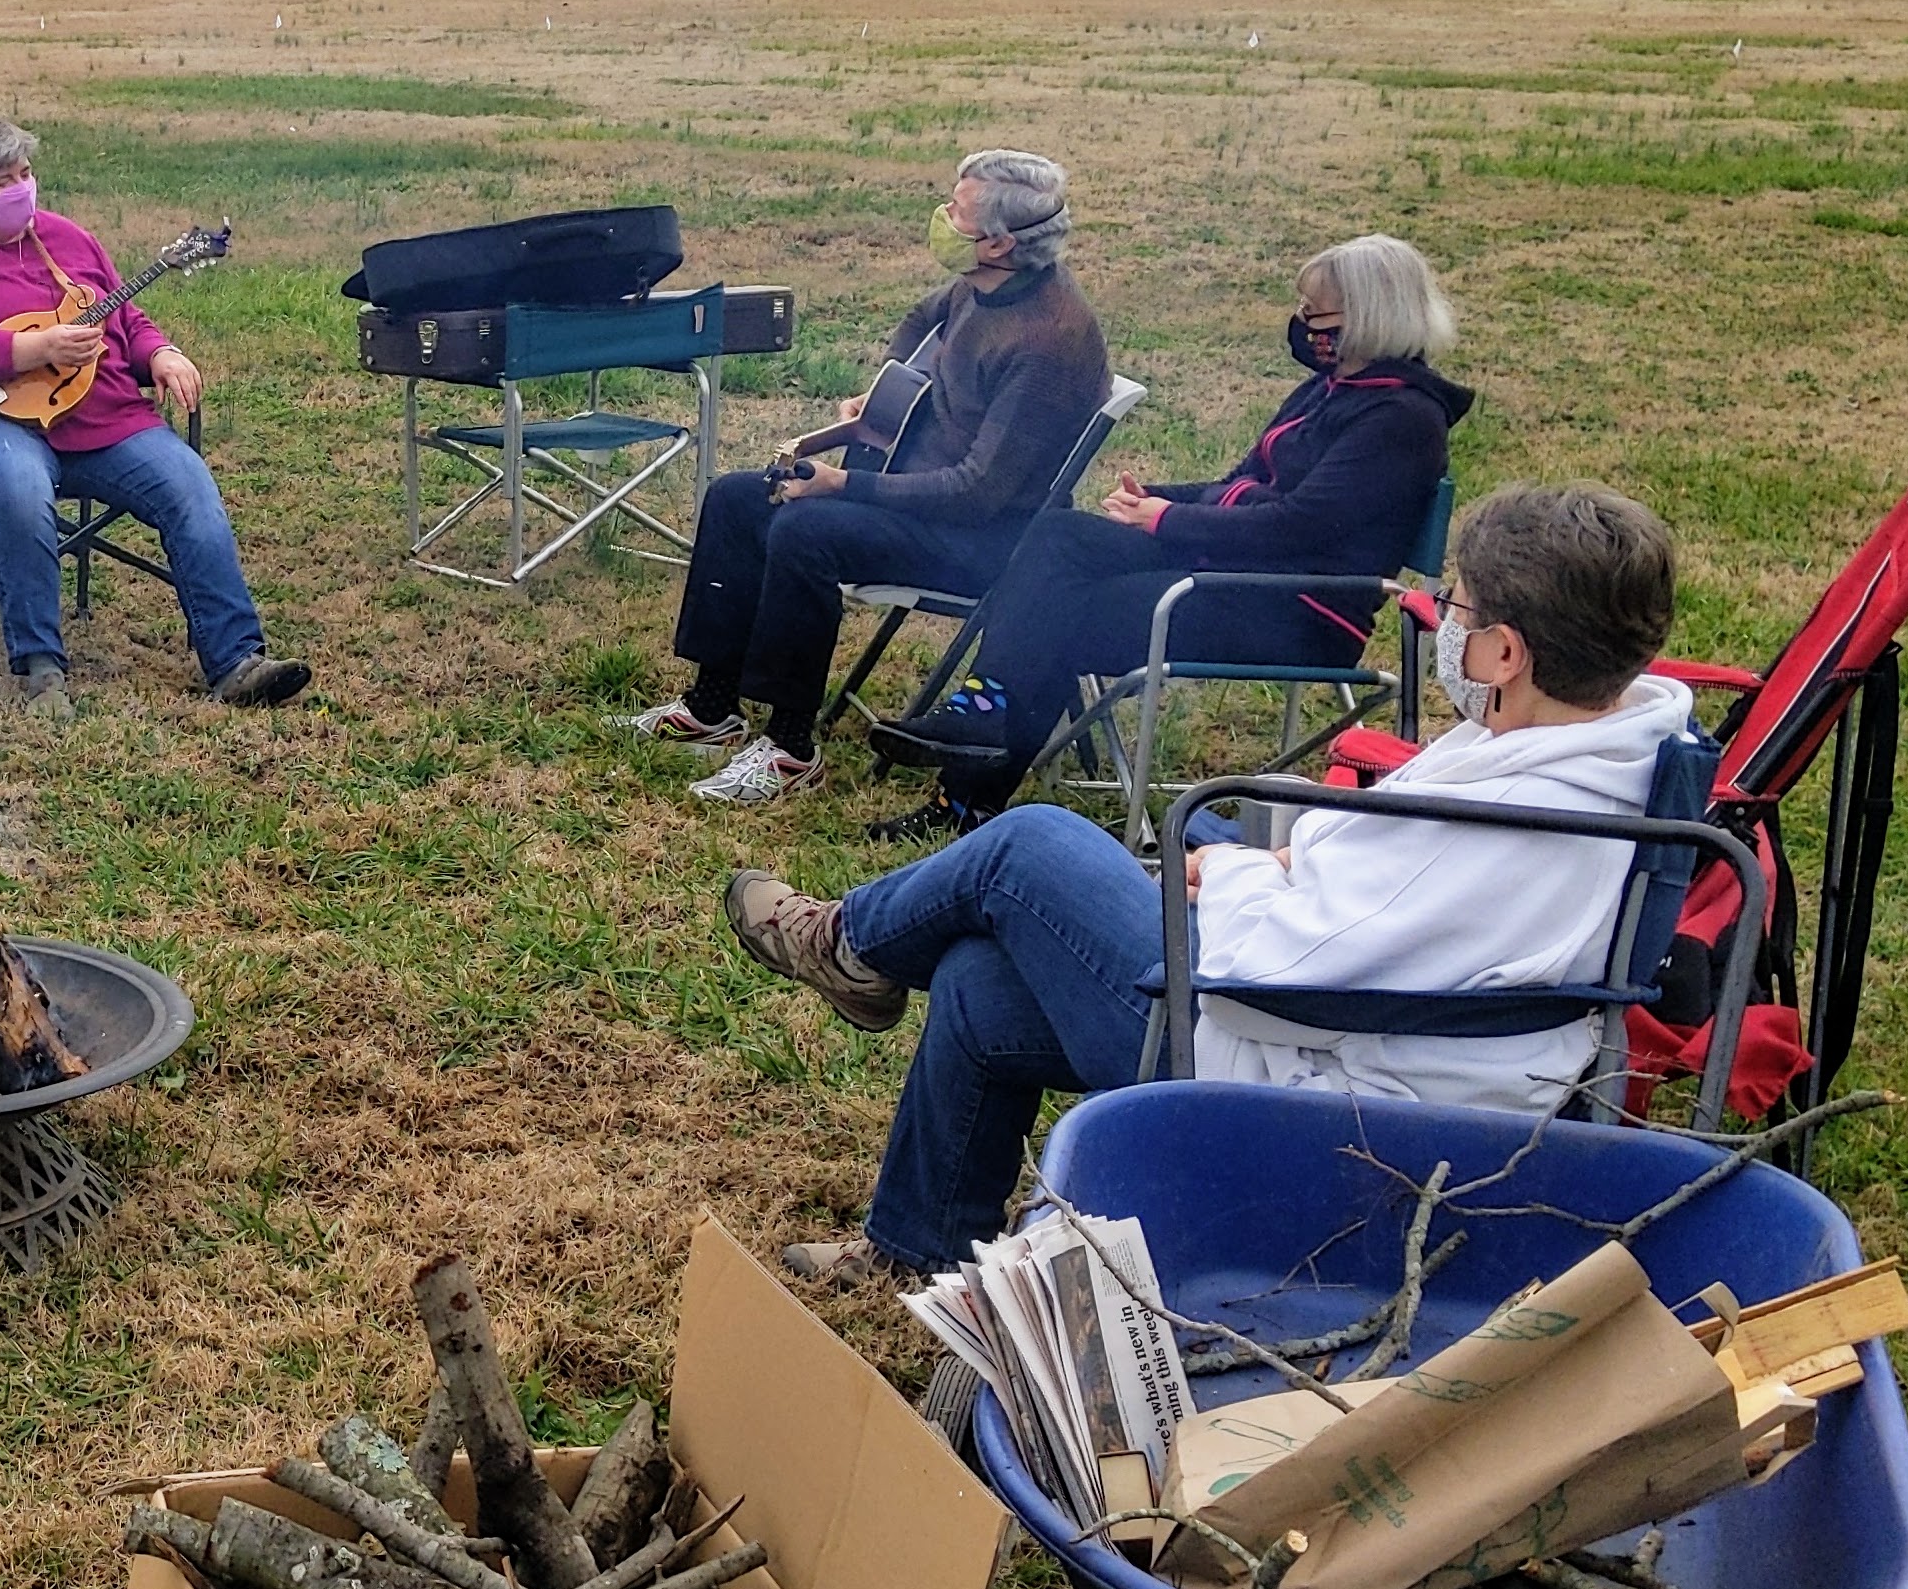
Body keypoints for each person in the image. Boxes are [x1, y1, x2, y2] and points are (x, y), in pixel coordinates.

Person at [720, 484, 1693, 1282]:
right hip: (1374, 1044)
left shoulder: (1502, 817)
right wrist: (1278, 862)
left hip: (1320, 1096)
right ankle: (917, 1249)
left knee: (1029, 850)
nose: (1448, 625)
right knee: (978, 981)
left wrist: (1221, 875)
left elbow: (1281, 970)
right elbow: (1384, 908)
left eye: (1463, 612)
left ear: (1508, 653)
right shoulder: (1611, 745)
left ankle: (846, 941)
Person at [867, 234, 1473, 838]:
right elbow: (1243, 484)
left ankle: (965, 795)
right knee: (1059, 537)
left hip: (1296, 609)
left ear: (1370, 315)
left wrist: (1169, 521)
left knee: (1062, 615)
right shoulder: (1332, 388)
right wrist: (1160, 499)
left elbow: (1297, 525)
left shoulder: (1400, 420)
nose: (1304, 324)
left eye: (1317, 313)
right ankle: (985, 711)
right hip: (1237, 570)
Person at [614, 149, 1110, 805]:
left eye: (956, 211)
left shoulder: (1050, 340)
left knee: (806, 529)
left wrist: (839, 484)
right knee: (738, 498)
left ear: (998, 241)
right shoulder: (985, 282)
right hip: (924, 496)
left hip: (988, 538)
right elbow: (918, 319)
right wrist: (885, 390)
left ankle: (791, 747)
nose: (942, 217)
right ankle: (713, 705)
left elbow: (976, 492)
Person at [0, 116, 311, 719]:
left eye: (26, 174)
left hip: (98, 415)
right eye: (5, 180)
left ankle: (237, 661)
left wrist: (159, 352)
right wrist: (35, 350)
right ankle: (41, 670)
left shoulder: (69, 239)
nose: (22, 188)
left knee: (187, 484)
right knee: (21, 485)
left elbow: (125, 319)